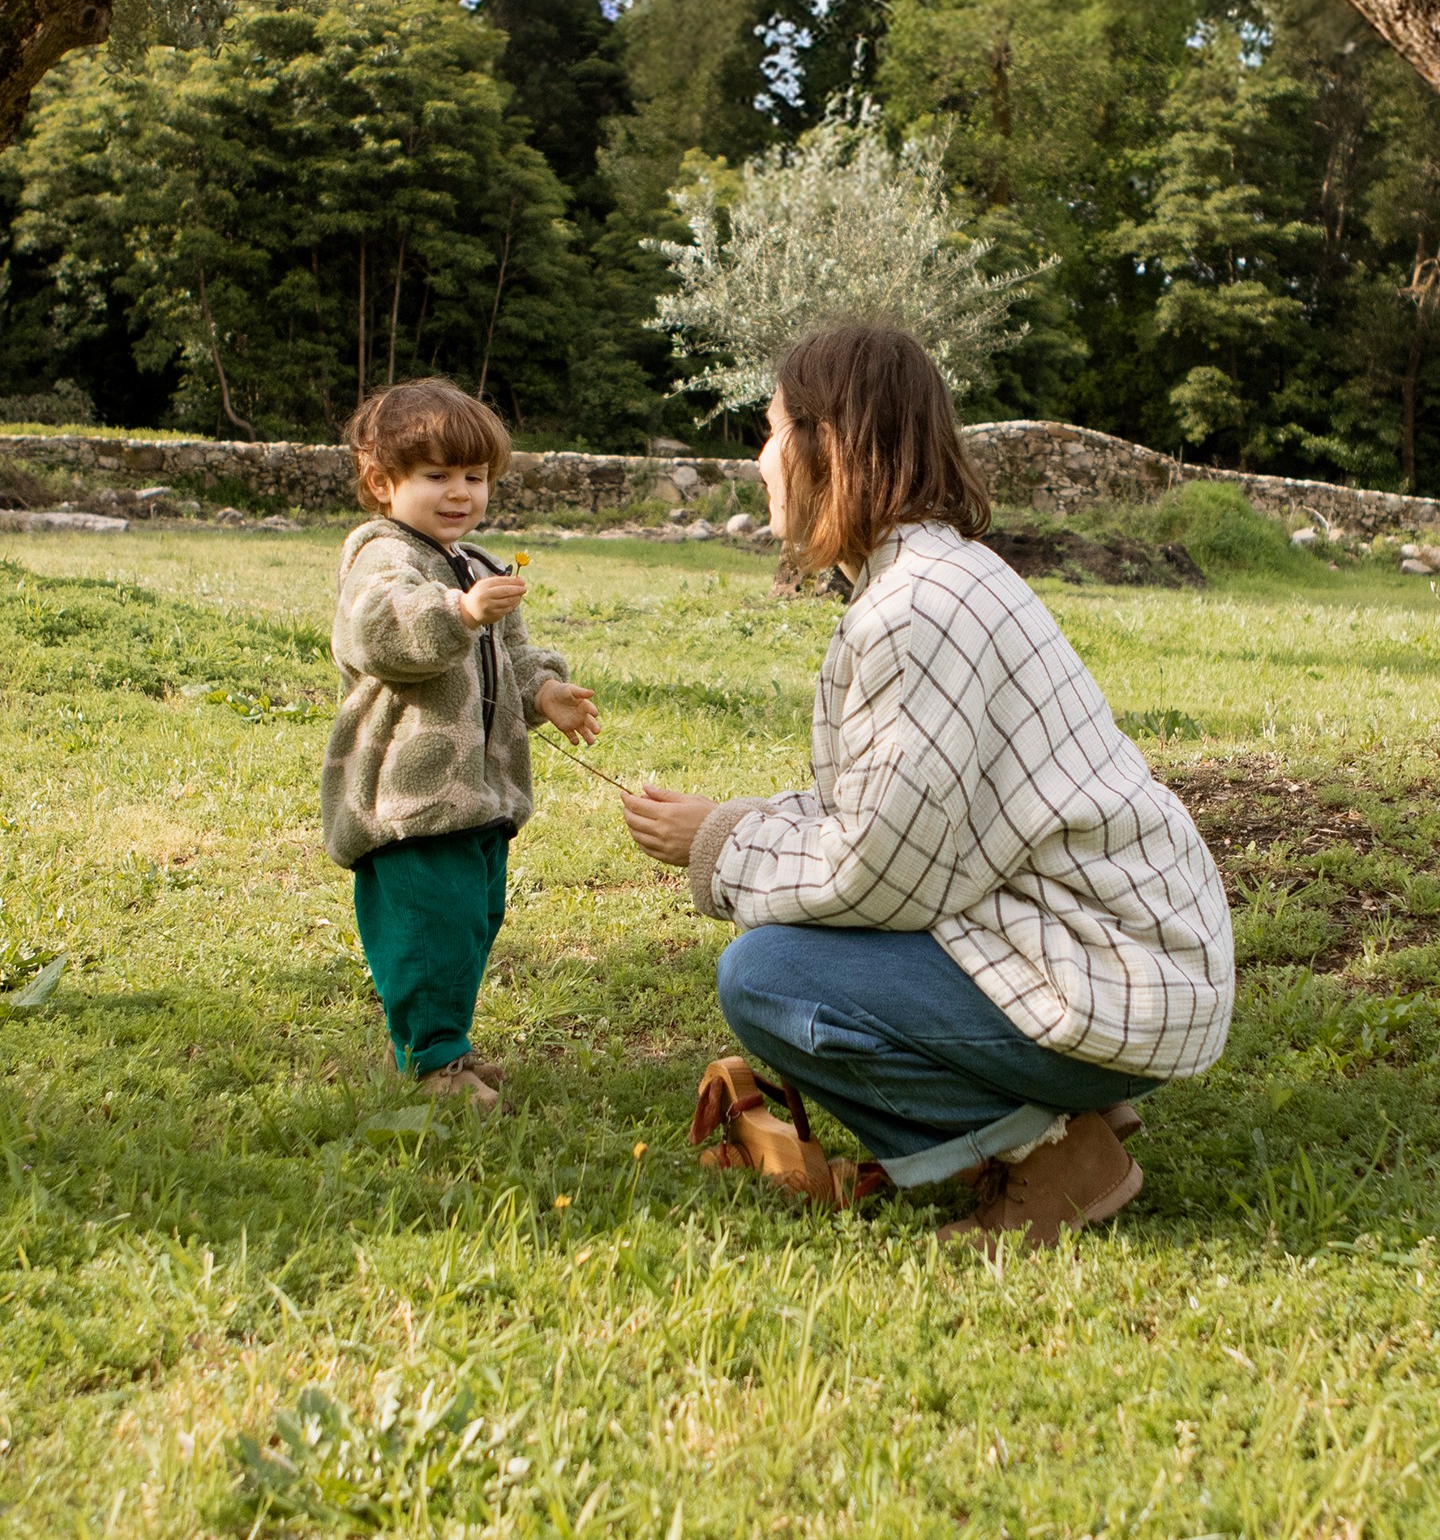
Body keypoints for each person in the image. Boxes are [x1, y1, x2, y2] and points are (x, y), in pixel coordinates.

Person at [622, 325, 1234, 1247]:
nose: (757, 462)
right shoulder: (933, 576)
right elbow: (894, 818)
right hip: (1126, 962)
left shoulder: (917, 609)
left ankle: (1050, 1159)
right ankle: (1068, 1111)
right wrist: (742, 819)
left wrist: (718, 849)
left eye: (770, 431)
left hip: (1117, 980)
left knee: (770, 977)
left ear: (827, 445)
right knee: (790, 949)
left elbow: (884, 878)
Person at [322, 378, 600, 1113]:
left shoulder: (475, 560)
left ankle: (449, 1040)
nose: (460, 493)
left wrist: (546, 693)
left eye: (474, 477)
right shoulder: (381, 559)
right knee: (425, 923)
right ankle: (430, 1061)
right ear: (383, 483)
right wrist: (461, 611)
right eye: (437, 475)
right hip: (409, 792)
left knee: (472, 919)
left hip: (477, 792)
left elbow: (512, 652)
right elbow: (385, 632)